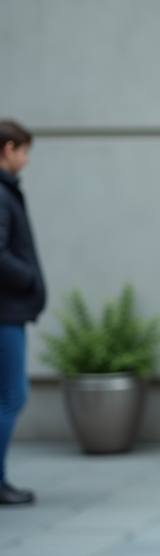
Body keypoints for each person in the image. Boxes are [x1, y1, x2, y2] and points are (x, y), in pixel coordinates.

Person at [0, 120, 43, 506]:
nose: (26, 160)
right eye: (24, 151)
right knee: (12, 394)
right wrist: (29, 278)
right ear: (8, 148)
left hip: (9, 310)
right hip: (6, 311)